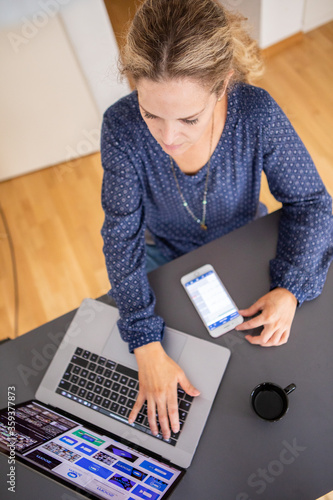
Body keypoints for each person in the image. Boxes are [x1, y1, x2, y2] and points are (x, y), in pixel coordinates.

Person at [100, 0, 333, 441]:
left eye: (189, 118)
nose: (168, 138)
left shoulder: (255, 113)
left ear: (223, 84)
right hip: (162, 253)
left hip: (245, 243)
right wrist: (145, 342)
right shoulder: (121, 127)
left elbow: (312, 202)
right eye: (152, 114)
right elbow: (120, 235)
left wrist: (291, 286)